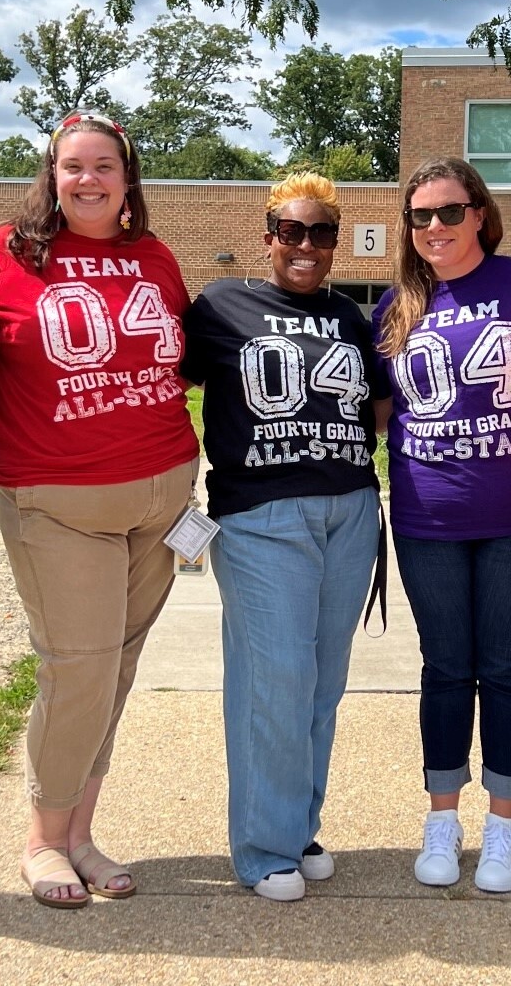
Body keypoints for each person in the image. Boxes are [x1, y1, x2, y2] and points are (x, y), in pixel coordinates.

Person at [0, 111, 199, 909]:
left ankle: (81, 833)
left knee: (120, 667)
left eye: (104, 166)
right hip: (57, 500)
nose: (88, 180)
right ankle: (41, 837)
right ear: (51, 173)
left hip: (163, 492)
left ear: (127, 176)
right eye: (72, 166)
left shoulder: (155, 256)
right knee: (79, 668)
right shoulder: (6, 252)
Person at [181, 172, 382, 902]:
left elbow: (381, 411)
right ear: (267, 236)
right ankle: (263, 846)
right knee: (275, 680)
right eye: (289, 230)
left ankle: (296, 826)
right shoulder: (220, 306)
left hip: (350, 510)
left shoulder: (351, 317)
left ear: (335, 243)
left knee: (322, 681)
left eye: (320, 231)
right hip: (260, 514)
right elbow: (161, 386)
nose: (304, 244)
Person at [373, 157, 511, 894]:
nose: (433, 228)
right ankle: (440, 818)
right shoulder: (394, 306)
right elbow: (380, 413)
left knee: (507, 668)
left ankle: (504, 829)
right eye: (419, 216)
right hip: (426, 519)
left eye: (448, 212)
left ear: (479, 214)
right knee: (445, 669)